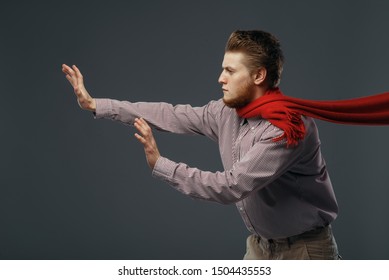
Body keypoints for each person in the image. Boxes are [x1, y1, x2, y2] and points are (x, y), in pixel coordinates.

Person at [62, 30, 342, 260]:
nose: (220, 79)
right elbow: (171, 114)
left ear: (259, 76)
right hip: (259, 247)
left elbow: (232, 186)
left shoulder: (287, 128)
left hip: (304, 253)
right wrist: (96, 104)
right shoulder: (227, 112)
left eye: (230, 71)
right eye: (223, 69)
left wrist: (161, 165)